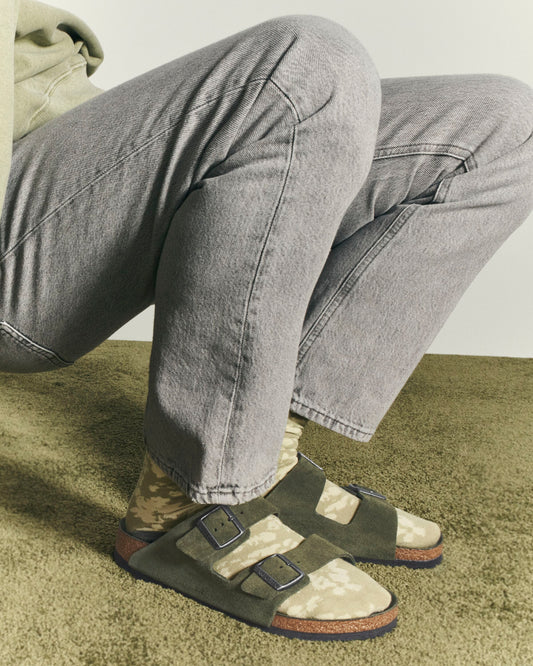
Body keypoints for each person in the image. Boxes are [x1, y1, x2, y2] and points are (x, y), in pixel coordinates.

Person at [1, 0, 532, 642]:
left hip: (56, 137)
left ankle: (266, 454)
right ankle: (191, 497)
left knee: (499, 124)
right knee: (305, 65)